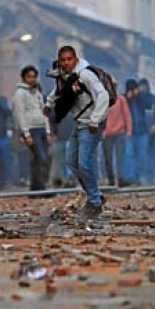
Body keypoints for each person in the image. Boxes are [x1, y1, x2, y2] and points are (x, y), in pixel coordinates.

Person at [45, 46, 109, 223]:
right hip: (79, 122)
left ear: (75, 59)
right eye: (63, 60)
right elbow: (58, 91)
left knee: (84, 163)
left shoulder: (85, 75)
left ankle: (94, 202)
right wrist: (48, 104)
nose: (66, 63)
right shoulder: (64, 76)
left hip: (92, 123)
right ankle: (96, 195)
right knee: (71, 162)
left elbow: (102, 95)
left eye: (69, 59)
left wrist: (95, 120)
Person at [12, 66, 53, 191]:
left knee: (41, 158)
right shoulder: (20, 94)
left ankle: (37, 188)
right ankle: (40, 186)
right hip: (31, 129)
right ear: (24, 78)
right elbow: (19, 114)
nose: (32, 79)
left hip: (41, 128)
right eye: (29, 77)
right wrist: (26, 133)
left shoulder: (37, 93)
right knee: (40, 157)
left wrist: (48, 131)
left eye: (34, 76)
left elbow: (44, 112)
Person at [103, 83, 133, 186]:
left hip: (120, 133)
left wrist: (129, 130)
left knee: (120, 158)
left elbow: (127, 115)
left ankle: (120, 179)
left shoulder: (120, 99)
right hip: (106, 134)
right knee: (108, 159)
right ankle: (111, 180)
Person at [126, 79, 149, 184]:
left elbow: (147, 111)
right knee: (130, 155)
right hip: (130, 132)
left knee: (142, 155)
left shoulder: (141, 99)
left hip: (142, 131)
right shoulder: (125, 100)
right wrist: (128, 99)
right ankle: (132, 177)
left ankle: (141, 177)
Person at [139, 78, 155, 183]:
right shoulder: (137, 100)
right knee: (142, 154)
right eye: (140, 86)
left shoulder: (154, 99)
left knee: (152, 154)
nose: (142, 88)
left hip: (153, 131)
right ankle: (142, 176)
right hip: (140, 131)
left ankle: (153, 175)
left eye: (144, 86)